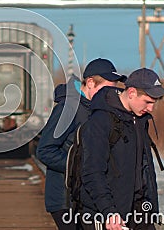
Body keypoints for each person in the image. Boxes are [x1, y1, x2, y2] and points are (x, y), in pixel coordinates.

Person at [36, 58, 126, 230]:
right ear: (90, 83)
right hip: (65, 199)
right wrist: (80, 167)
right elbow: (45, 150)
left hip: (87, 196)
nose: (112, 93)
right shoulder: (68, 108)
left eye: (115, 88)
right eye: (108, 87)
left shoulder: (98, 110)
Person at [78, 68, 164, 230]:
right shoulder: (101, 120)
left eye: (153, 103)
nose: (151, 109)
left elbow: (143, 167)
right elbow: (92, 171)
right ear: (132, 93)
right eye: (148, 102)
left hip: (139, 210)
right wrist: (108, 211)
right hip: (109, 214)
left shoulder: (139, 120)